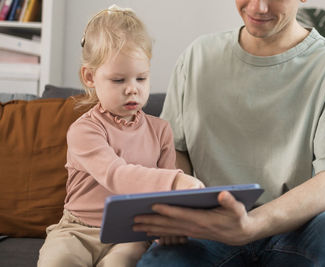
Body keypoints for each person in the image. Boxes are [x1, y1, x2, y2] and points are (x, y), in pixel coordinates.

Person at [134, 0, 325, 266]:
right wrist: (178, 205)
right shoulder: (198, 56)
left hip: (299, 228)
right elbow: (176, 150)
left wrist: (252, 224)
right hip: (212, 228)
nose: (258, 7)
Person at [37, 5, 203, 267]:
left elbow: (164, 200)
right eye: (118, 80)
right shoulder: (84, 130)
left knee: (121, 263)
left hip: (131, 232)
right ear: (90, 77)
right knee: (57, 261)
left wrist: (173, 221)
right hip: (77, 230)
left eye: (141, 78)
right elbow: (116, 175)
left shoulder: (161, 131)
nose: (132, 90)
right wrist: (177, 182)